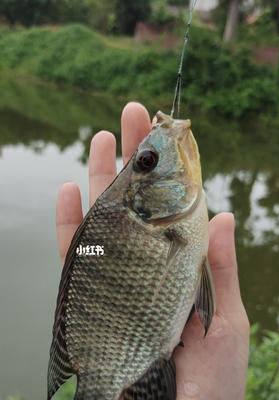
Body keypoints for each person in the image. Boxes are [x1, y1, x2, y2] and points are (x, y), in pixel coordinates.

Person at [54, 102, 250, 399]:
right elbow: (85, 253)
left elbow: (87, 253)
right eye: (149, 161)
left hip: (143, 354)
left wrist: (90, 251)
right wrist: (88, 252)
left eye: (146, 161)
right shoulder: (174, 230)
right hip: (139, 356)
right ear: (139, 205)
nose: (148, 159)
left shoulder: (174, 229)